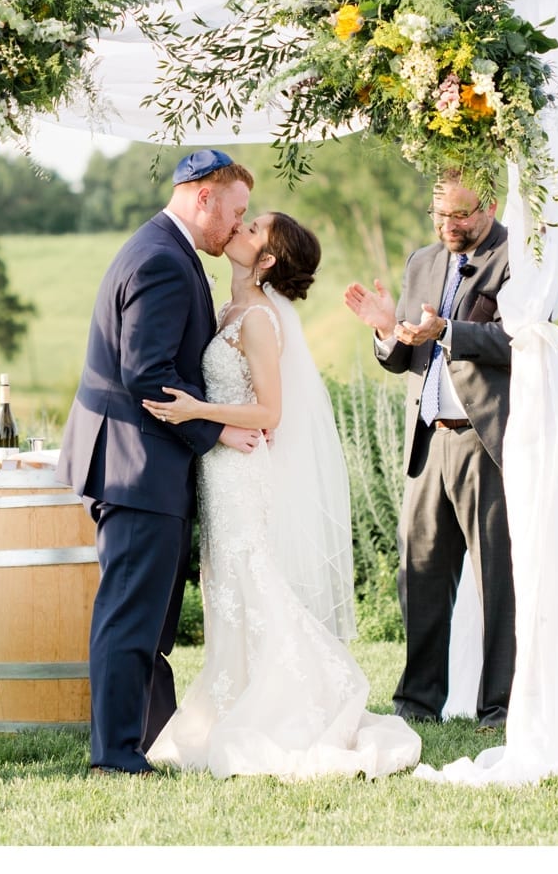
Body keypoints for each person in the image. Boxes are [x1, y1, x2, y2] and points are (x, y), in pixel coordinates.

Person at [142, 213, 422, 778]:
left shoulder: (261, 321)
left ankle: (297, 701)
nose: (238, 230)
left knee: (254, 580)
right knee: (230, 588)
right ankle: (239, 699)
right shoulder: (228, 311)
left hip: (244, 475)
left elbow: (271, 411)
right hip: (220, 471)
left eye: (252, 231)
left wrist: (200, 412)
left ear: (266, 261)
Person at [57, 149, 263, 776]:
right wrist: (218, 431)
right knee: (130, 614)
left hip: (139, 462)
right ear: (204, 198)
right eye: (235, 213)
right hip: (136, 465)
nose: (236, 227)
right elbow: (147, 374)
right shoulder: (163, 262)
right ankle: (116, 756)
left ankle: (145, 737)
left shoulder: (161, 249)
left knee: (147, 617)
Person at [343, 170, 515, 728]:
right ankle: (417, 704)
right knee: (418, 575)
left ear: (488, 203)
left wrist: (447, 332)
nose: (448, 226)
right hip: (427, 438)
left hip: (483, 439)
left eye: (460, 215)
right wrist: (385, 330)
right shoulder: (422, 261)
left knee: (498, 583)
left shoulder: (517, 257)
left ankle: (500, 707)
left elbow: (519, 340)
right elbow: (402, 356)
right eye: (439, 215)